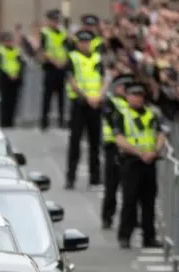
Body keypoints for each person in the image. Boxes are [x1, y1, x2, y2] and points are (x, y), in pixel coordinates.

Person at [112, 83, 164, 249]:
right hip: (131, 162)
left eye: (140, 95)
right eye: (134, 95)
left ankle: (149, 237)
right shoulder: (121, 114)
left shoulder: (152, 114)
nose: (138, 98)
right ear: (128, 97)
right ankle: (124, 236)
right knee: (129, 200)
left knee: (149, 202)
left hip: (149, 162)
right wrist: (139, 153)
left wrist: (155, 151)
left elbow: (160, 134)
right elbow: (119, 139)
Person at [63, 28, 104, 190]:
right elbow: (71, 79)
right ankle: (70, 178)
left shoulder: (97, 58)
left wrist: (99, 96)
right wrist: (86, 97)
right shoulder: (73, 58)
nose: (85, 45)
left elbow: (102, 79)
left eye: (87, 42)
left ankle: (95, 178)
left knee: (95, 142)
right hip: (80, 103)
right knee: (75, 141)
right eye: (82, 42)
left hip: (95, 104)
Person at [100, 74, 132, 229]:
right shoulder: (110, 101)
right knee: (111, 185)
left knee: (130, 187)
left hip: (129, 148)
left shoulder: (132, 104)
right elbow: (111, 120)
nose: (124, 90)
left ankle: (132, 220)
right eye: (121, 87)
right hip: (113, 146)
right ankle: (107, 216)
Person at [39, 9, 68, 131]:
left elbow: (67, 49)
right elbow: (44, 50)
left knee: (61, 96)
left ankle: (61, 121)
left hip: (62, 67)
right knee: (47, 96)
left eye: (57, 20)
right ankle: (44, 122)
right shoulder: (45, 33)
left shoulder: (64, 33)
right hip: (51, 67)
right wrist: (55, 62)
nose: (55, 22)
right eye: (53, 20)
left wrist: (64, 62)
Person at [0, 32, 22, 128]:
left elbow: (20, 64)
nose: (9, 42)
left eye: (10, 40)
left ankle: (11, 122)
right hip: (4, 79)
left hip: (15, 80)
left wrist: (16, 74)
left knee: (13, 101)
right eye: (7, 41)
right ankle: (4, 122)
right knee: (4, 101)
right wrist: (9, 74)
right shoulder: (0, 50)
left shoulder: (17, 51)